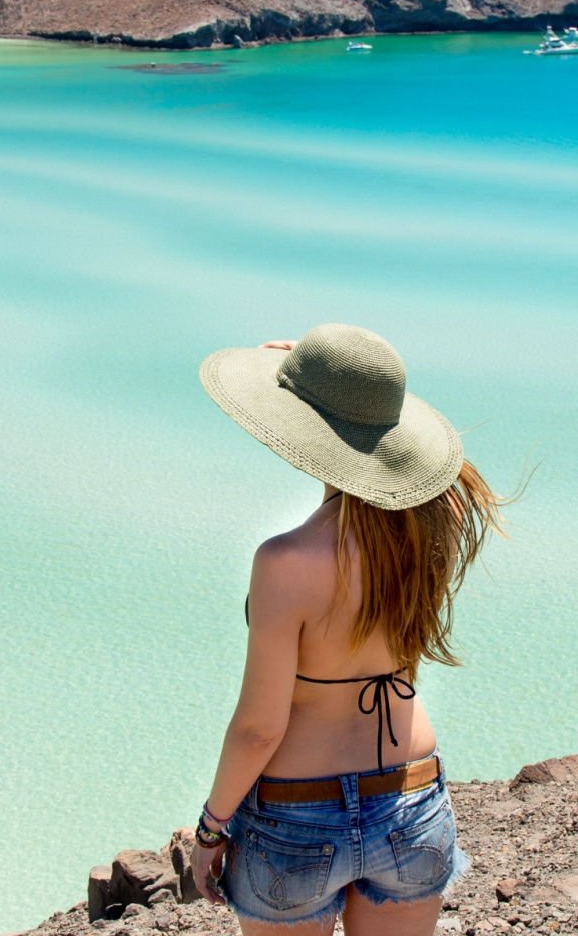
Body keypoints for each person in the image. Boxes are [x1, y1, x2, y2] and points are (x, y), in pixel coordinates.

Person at [191, 323, 506, 935]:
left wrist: (211, 828)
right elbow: (409, 469)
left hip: (294, 820)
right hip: (412, 803)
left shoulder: (286, 563)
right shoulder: (433, 529)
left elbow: (260, 728)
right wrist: (329, 386)